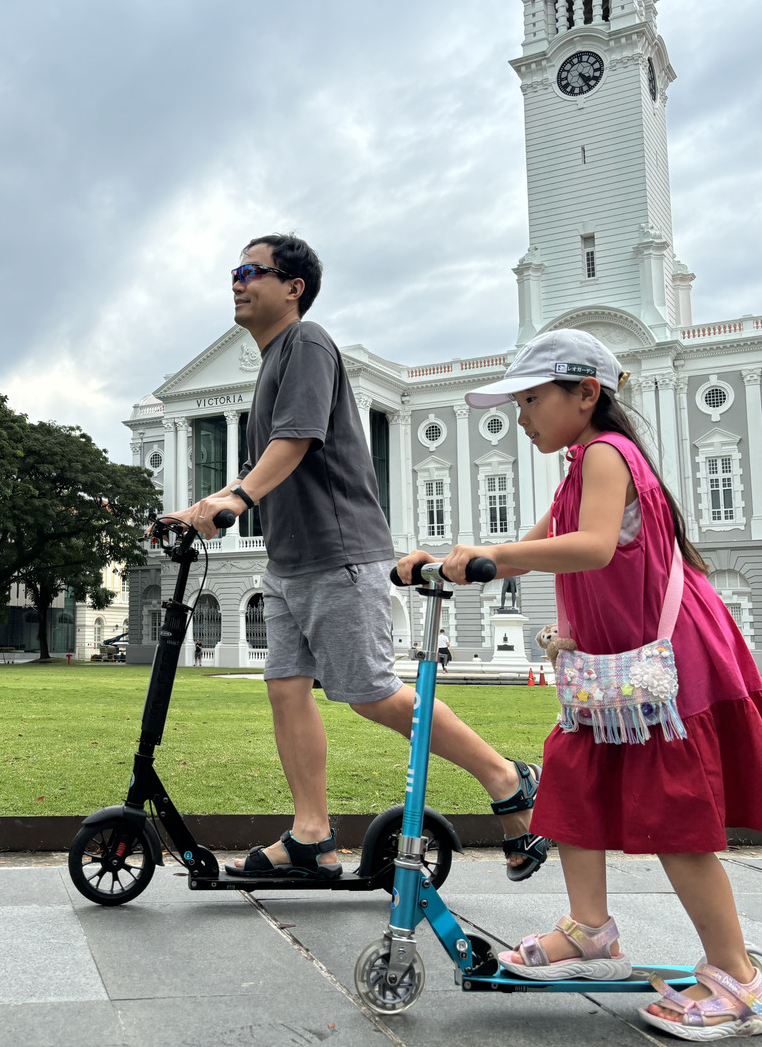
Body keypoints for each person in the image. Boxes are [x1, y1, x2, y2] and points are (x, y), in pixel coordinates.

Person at [398, 329, 762, 1040]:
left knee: (677, 821)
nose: (521, 416)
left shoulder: (609, 454)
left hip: (665, 668)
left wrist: (490, 555)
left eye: (531, 398)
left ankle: (739, 980)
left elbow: (588, 545)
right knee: (572, 782)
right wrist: (457, 560)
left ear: (586, 393)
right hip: (613, 674)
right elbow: (528, 548)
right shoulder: (578, 468)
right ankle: (589, 927)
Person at [168, 233, 549, 882]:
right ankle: (312, 836)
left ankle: (507, 776)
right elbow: (273, 458)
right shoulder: (270, 365)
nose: (236, 282)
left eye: (248, 271)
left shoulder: (307, 343)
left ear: (292, 287)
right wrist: (198, 508)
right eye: (233, 272)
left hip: (338, 555)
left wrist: (232, 496)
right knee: (286, 689)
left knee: (371, 693)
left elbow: (297, 439)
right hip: (288, 563)